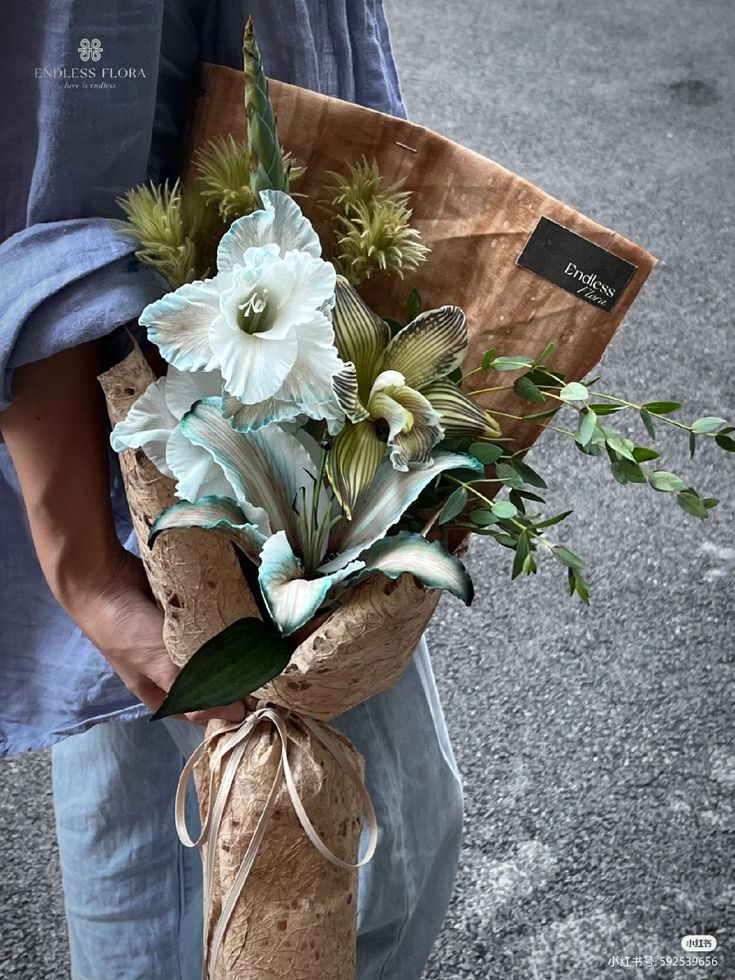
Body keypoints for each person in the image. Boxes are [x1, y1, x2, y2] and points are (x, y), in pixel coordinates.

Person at [0, 2, 464, 978]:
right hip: (189, 496)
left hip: (290, 432)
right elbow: (48, 184)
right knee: (352, 869)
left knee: (190, 858)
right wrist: (85, 567)